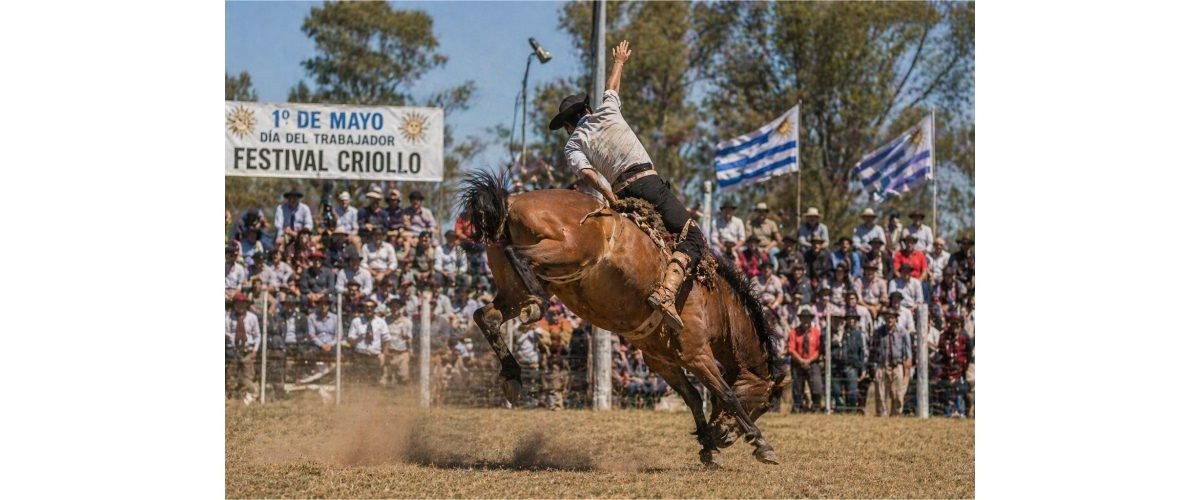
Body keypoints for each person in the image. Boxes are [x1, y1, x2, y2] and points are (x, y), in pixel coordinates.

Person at [549, 40, 712, 336]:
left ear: (568, 126)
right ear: (587, 108)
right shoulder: (607, 112)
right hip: (649, 184)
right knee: (693, 237)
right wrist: (620, 61)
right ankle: (667, 292)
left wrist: (611, 197)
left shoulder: (574, 142)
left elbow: (587, 173)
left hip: (622, 194)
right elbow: (611, 89)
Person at [869, 308, 911, 417]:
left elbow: (908, 352)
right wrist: (873, 366)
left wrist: (907, 371)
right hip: (882, 364)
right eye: (887, 317)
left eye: (892, 317)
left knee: (898, 393)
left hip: (897, 364)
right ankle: (882, 414)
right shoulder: (878, 332)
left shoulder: (903, 332)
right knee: (881, 392)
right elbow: (873, 349)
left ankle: (896, 413)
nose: (889, 319)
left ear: (896, 319)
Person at [225, 293, 260, 403]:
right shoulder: (227, 317)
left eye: (243, 304)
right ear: (234, 305)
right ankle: (231, 400)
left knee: (248, 377)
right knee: (232, 377)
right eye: (238, 304)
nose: (240, 307)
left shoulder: (252, 318)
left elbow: (257, 335)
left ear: (246, 305)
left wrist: (255, 349)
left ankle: (247, 401)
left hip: (247, 351)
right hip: (232, 350)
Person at [788, 308, 823, 412]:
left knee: (817, 385)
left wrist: (808, 361)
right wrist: (801, 360)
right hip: (797, 362)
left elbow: (819, 349)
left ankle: (816, 407)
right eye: (803, 318)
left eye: (807, 318)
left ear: (811, 319)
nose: (806, 321)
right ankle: (797, 406)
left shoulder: (817, 332)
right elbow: (791, 349)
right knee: (797, 386)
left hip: (813, 362)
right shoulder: (793, 332)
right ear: (800, 319)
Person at [831, 312, 867, 413]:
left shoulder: (857, 334)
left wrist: (862, 368)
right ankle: (839, 411)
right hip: (836, 366)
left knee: (852, 392)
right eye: (850, 319)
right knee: (837, 392)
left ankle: (851, 412)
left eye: (854, 319)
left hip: (851, 366)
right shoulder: (831, 333)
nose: (851, 321)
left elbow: (861, 352)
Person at [936, 315, 971, 417]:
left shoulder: (965, 338)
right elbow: (941, 352)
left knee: (961, 390)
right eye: (953, 324)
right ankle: (948, 412)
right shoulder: (944, 337)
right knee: (947, 392)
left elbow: (968, 354)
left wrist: (963, 366)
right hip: (946, 370)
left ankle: (961, 411)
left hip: (960, 370)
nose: (955, 327)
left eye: (957, 324)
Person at [348, 300, 390, 384]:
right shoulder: (356, 321)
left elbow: (386, 339)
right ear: (363, 308)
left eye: (371, 307)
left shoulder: (381, 322)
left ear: (374, 308)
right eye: (366, 307)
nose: (369, 309)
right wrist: (359, 338)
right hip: (360, 356)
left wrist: (384, 354)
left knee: (374, 381)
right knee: (360, 381)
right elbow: (350, 339)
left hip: (374, 356)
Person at [383, 297, 414, 385]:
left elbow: (409, 339)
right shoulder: (385, 321)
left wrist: (410, 351)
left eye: (397, 307)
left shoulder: (407, 322)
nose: (395, 309)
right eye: (393, 307)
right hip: (389, 352)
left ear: (400, 308)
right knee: (387, 377)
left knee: (404, 377)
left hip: (402, 352)